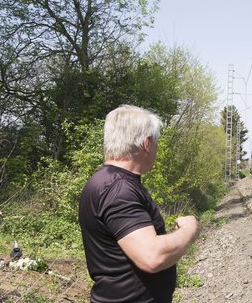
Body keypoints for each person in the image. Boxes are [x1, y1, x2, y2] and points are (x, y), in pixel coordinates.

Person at [79, 105, 199, 302]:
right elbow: (152, 256)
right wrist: (189, 229)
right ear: (147, 143)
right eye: (156, 143)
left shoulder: (107, 181)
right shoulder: (118, 189)